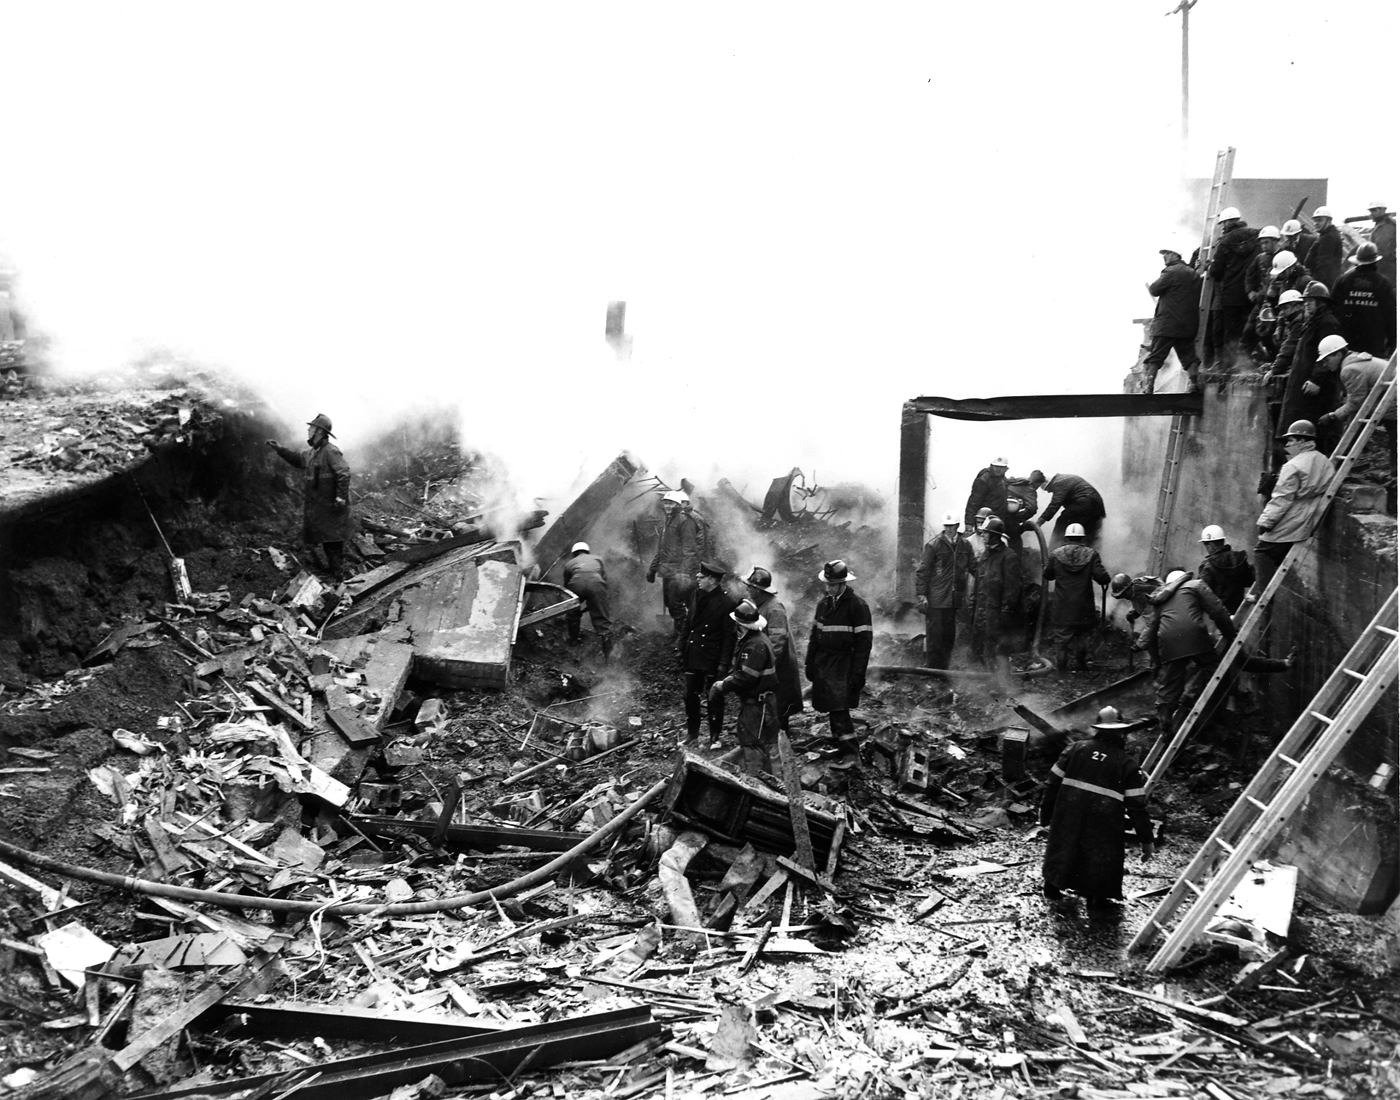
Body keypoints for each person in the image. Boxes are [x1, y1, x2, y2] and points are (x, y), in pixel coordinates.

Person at [1142, 569, 1293, 736]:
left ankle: (1166, 719)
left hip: (1168, 641)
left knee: (1170, 685)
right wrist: (1230, 633)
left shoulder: (1160, 600)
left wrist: (1157, 662)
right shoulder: (1195, 586)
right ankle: (1198, 706)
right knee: (1213, 670)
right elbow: (1217, 611)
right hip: (1196, 636)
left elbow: (1150, 635)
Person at [1040, 706, 1154, 919]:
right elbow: (1137, 806)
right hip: (1105, 822)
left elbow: (1052, 783)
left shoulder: (1074, 749)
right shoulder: (1127, 764)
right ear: (1122, 732)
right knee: (1100, 857)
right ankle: (1096, 899)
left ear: (1097, 729)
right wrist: (1146, 840)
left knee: (1064, 847)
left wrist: (1045, 814)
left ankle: (1052, 888)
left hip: (1068, 815)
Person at [1248, 420, 1334, 601]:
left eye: (1291, 440)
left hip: (1295, 515)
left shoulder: (1292, 466)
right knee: (1276, 553)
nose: (1287, 445)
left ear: (1302, 441)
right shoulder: (1324, 461)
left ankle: (1262, 597)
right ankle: (1265, 590)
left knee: (1262, 552)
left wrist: (1265, 522)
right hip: (1314, 513)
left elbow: (1282, 499)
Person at [267, 413, 352, 578]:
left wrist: (340, 497)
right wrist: (279, 449)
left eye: (311, 428)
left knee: (333, 542)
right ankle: (335, 574)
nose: (308, 430)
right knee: (328, 540)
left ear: (319, 431)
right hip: (323, 507)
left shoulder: (331, 451)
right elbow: (298, 459)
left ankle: (339, 577)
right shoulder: (314, 452)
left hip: (332, 506)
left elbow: (344, 473)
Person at [805, 560, 873, 765]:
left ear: (843, 583)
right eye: (827, 584)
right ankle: (839, 746)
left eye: (833, 585)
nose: (829, 588)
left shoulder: (857, 606)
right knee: (830, 705)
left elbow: (864, 644)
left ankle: (851, 753)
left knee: (839, 708)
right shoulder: (823, 604)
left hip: (844, 663)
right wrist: (810, 662)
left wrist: (858, 673)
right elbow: (814, 636)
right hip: (825, 661)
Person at [709, 600, 777, 777]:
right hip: (759, 703)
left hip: (758, 706)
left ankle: (757, 781)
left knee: (753, 744)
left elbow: (746, 677)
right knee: (759, 744)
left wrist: (724, 685)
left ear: (742, 625)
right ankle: (768, 779)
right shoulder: (755, 640)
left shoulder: (754, 645)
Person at [678, 561, 737, 747]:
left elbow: (729, 636)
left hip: (712, 656)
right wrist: (680, 646)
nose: (697, 578)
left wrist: (724, 663)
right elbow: (688, 622)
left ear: (712, 580)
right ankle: (692, 734)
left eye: (702, 577)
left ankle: (714, 737)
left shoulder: (727, 603)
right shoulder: (695, 595)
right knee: (690, 695)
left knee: (714, 697)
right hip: (694, 653)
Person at [741, 567, 804, 730]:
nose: (747, 590)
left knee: (779, 708)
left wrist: (763, 666)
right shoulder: (761, 605)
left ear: (759, 589)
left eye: (750, 587)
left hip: (778, 668)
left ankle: (781, 739)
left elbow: (777, 643)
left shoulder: (774, 608)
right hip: (768, 666)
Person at [1278, 282, 1342, 441]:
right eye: (1305, 301)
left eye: (1310, 301)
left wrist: (1316, 380)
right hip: (1305, 383)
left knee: (1316, 426)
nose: (1306, 304)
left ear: (1321, 302)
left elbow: (1329, 353)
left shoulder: (1328, 322)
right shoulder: (1313, 322)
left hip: (1317, 386)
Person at [1044, 523, 1111, 674]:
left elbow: (1047, 575)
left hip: (1062, 606)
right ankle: (1081, 664)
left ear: (1066, 537)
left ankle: (1062, 671)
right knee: (1082, 635)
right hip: (1083, 606)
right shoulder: (1091, 554)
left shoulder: (1055, 555)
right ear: (1082, 538)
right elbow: (1102, 577)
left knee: (1061, 639)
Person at [1316, 338, 1397, 460]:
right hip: (1389, 397)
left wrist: (1333, 416)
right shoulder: (1356, 361)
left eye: (1327, 360)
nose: (1325, 365)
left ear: (1338, 355)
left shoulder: (1350, 369)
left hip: (1392, 400)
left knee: (1357, 422)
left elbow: (1356, 402)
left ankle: (1341, 460)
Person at [915, 512, 975, 669]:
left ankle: (943, 669)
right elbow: (923, 572)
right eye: (946, 526)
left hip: (954, 598)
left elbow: (974, 566)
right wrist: (922, 595)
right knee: (935, 636)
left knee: (949, 636)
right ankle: (933, 669)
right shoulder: (933, 545)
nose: (949, 529)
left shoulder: (965, 545)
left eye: (952, 526)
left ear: (957, 526)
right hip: (936, 598)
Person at [1143, 243, 1202, 391]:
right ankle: (1193, 384)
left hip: (1167, 324)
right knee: (1189, 357)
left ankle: (1149, 386)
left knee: (1156, 356)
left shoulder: (1170, 271)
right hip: (1187, 325)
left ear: (1176, 255)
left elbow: (1154, 289)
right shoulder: (1193, 273)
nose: (1164, 256)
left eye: (1167, 253)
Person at [1207, 207, 1262, 367]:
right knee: (1250, 328)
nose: (1222, 227)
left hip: (1231, 294)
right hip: (1252, 292)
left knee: (1231, 333)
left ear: (1227, 222)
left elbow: (1216, 271)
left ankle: (1230, 365)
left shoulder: (1224, 241)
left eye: (1223, 224)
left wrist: (1210, 266)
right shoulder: (1257, 235)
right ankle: (1249, 362)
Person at [972, 517, 1023, 685]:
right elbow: (979, 583)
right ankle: (992, 684)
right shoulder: (985, 555)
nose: (982, 535)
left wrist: (1005, 613)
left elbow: (1012, 589)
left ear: (994, 535)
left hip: (998, 614)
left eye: (986, 533)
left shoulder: (1009, 557)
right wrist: (974, 606)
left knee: (999, 652)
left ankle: (1005, 687)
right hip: (983, 612)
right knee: (984, 650)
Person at [647, 490, 701, 636]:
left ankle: (682, 636)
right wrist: (652, 569)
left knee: (676, 605)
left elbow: (689, 549)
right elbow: (661, 550)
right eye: (666, 503)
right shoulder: (667, 520)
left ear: (677, 504)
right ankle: (684, 633)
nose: (667, 506)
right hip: (668, 570)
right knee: (670, 603)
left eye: (670, 503)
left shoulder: (685, 520)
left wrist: (685, 572)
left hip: (678, 571)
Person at [1332, 242, 1397, 358]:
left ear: (1357, 261)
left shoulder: (1343, 280)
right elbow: (1391, 315)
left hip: (1346, 340)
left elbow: (1331, 307)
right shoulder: (1383, 283)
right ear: (1375, 261)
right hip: (1373, 342)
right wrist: (1392, 342)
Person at [562, 542, 614, 659]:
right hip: (596, 584)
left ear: (574, 554)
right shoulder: (598, 559)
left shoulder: (569, 564)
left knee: (572, 612)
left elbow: (566, 589)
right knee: (602, 620)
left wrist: (572, 606)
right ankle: (609, 657)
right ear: (587, 551)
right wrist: (598, 600)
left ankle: (573, 640)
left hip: (576, 584)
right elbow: (604, 579)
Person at [1031, 470, 1106, 547]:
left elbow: (1055, 504)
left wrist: (1040, 521)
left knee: (1062, 524)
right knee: (1087, 534)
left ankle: (1054, 549)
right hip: (1097, 507)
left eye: (1047, 489)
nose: (1048, 491)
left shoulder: (1058, 482)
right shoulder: (1064, 479)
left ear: (1048, 482)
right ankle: (1089, 552)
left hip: (1083, 503)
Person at [1196, 525, 1254, 614]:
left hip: (1219, 614)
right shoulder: (1239, 559)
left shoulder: (1208, 566)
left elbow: (1201, 593)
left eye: (1205, 545)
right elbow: (1249, 581)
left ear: (1210, 546)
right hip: (1237, 610)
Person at [1304, 206, 1346, 291]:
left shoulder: (1329, 237)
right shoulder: (1326, 235)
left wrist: (1316, 284)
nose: (1316, 223)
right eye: (1315, 221)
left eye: (1320, 220)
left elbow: (1324, 264)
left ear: (1329, 221)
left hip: (1325, 283)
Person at [964, 457, 1010, 532]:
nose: (998, 469)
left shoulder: (1004, 480)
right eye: (996, 466)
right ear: (991, 466)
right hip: (984, 521)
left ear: (1006, 469)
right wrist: (969, 523)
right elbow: (973, 502)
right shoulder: (983, 480)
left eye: (1001, 467)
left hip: (997, 521)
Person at [1368, 202, 1397, 289]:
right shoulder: (1381, 224)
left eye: (1374, 210)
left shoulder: (1387, 226)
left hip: (1385, 268)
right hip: (1382, 267)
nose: (1371, 214)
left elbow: (1382, 249)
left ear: (1383, 210)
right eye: (1370, 211)